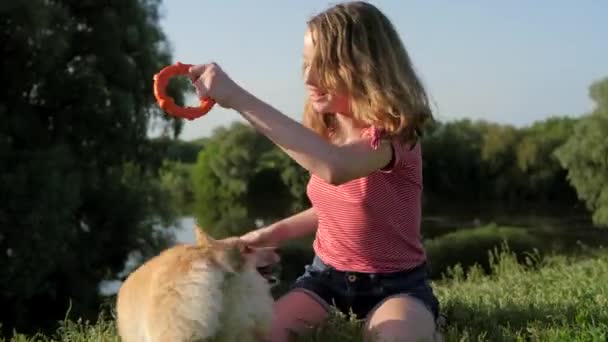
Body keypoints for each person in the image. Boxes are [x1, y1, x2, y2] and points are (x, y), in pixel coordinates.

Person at [188, 1, 442, 341]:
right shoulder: (328, 133)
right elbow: (336, 207)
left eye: (323, 65)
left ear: (365, 66)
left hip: (395, 287)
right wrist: (267, 235)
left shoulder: (392, 137)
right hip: (325, 281)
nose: (308, 77)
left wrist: (235, 96)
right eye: (306, 64)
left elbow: (333, 167)